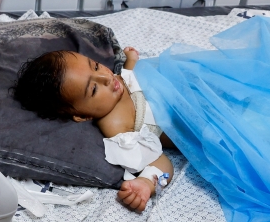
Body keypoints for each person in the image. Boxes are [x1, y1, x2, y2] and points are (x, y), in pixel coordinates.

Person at [13, 46, 174, 211]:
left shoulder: (115, 81)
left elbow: (132, 78)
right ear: (82, 116)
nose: (106, 77)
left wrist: (131, 61)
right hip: (196, 120)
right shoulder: (116, 126)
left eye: (96, 66)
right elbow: (161, 162)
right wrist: (146, 182)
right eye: (94, 89)